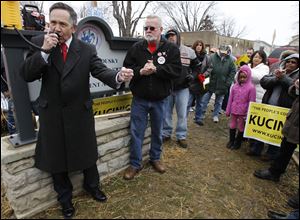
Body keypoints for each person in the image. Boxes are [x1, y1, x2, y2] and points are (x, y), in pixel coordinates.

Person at [21, 3, 133, 218]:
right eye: (53, 22)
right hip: (52, 113)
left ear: (73, 28)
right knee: (57, 159)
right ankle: (65, 199)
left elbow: (101, 71)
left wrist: (118, 76)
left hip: (79, 113)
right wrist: (44, 51)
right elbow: (26, 74)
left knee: (87, 155)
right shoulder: (39, 43)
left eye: (62, 24)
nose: (57, 28)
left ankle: (93, 186)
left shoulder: (86, 49)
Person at [122, 15, 181, 180]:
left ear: (161, 30)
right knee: (136, 132)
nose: (148, 31)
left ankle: (155, 158)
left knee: (157, 131)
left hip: (160, 100)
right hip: (139, 99)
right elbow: (127, 68)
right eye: (146, 28)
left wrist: (157, 69)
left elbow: (176, 71)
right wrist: (140, 71)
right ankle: (135, 163)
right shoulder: (136, 48)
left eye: (152, 28)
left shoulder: (171, 49)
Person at [253, 53, 299, 161]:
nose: (290, 64)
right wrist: (276, 78)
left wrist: (283, 78)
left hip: (283, 110)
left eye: (293, 62)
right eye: (288, 61)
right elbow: (264, 81)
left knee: (276, 133)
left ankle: (271, 153)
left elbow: (294, 88)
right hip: (268, 106)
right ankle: (256, 149)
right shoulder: (277, 69)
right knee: (261, 129)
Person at [162, 29, 201, 148]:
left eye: (173, 36)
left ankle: (181, 136)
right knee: (166, 112)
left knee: (182, 113)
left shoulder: (189, 51)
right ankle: (166, 133)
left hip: (183, 88)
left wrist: (193, 76)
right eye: (168, 36)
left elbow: (197, 67)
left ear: (178, 37)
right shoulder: (163, 51)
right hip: (167, 87)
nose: (171, 38)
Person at [254, 78, 299, 182]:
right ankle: (275, 172)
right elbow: (293, 94)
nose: (290, 64)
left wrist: (285, 79)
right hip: (294, 121)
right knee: (286, 148)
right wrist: (295, 87)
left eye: (293, 61)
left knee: (286, 148)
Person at [196, 45, 236, 124]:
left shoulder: (230, 60)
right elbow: (206, 67)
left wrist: (228, 83)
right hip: (211, 82)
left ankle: (215, 115)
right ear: (219, 51)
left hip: (222, 84)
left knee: (219, 101)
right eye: (222, 52)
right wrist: (205, 79)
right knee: (205, 100)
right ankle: (201, 114)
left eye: (225, 53)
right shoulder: (212, 57)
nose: (223, 54)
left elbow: (232, 72)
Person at [225, 65, 256, 149]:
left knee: (241, 126)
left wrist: (249, 113)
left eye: (244, 77)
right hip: (234, 109)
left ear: (248, 76)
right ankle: (231, 140)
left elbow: (252, 101)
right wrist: (228, 110)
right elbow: (230, 99)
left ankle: (238, 142)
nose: (242, 79)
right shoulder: (235, 86)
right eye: (241, 77)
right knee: (232, 125)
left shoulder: (251, 88)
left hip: (243, 111)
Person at [188, 40, 211, 126]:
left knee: (200, 102)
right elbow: (188, 67)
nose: (199, 46)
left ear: (202, 47)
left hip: (202, 81)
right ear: (194, 46)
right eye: (197, 45)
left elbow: (210, 68)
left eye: (200, 45)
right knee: (188, 101)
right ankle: (184, 118)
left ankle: (198, 118)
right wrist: (191, 74)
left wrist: (204, 75)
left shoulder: (207, 57)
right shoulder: (191, 55)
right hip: (193, 81)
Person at [1, 51, 16, 135]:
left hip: (22, 85)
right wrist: (4, 90)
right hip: (10, 89)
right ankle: (13, 135)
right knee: (12, 115)